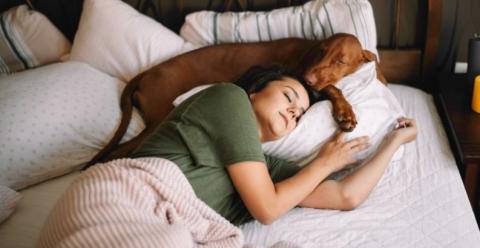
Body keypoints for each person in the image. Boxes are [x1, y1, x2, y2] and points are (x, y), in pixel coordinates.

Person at [130, 65, 417, 226]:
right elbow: (267, 209)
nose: (294, 111)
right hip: (131, 197)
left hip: (165, 230)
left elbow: (346, 196)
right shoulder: (229, 98)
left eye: (300, 115)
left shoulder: (266, 173)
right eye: (288, 96)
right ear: (255, 92)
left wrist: (394, 141)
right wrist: (325, 163)